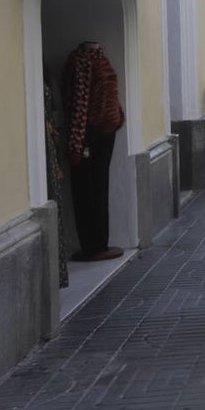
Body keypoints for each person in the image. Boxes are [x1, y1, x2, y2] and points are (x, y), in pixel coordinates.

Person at [63, 41, 125, 261]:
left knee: (86, 191)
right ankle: (100, 241)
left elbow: (77, 107)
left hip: (90, 135)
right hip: (106, 134)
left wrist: (75, 145)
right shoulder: (103, 62)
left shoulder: (81, 65)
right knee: (100, 186)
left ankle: (92, 244)